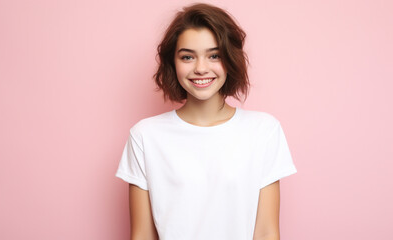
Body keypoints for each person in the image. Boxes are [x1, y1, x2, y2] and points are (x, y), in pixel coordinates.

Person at [115, 3, 297, 240]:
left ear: (230, 59)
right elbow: (142, 235)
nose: (201, 68)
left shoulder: (264, 131)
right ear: (173, 63)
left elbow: (266, 233)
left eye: (214, 55)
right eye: (188, 57)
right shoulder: (145, 136)